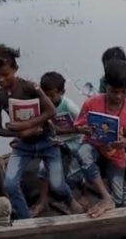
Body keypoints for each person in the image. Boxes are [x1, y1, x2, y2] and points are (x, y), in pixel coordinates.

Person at [0, 45, 78, 219]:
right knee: (10, 184)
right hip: (23, 145)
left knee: (57, 184)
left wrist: (30, 126)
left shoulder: (31, 88)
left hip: (47, 141)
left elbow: (51, 111)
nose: (1, 80)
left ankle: (70, 200)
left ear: (15, 69)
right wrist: (18, 133)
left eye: (5, 74)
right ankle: (26, 220)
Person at [75, 59, 126, 217]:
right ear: (105, 85)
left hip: (116, 152)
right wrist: (84, 130)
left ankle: (109, 197)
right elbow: (78, 126)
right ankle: (105, 197)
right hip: (94, 146)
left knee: (120, 200)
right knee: (83, 153)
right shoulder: (91, 103)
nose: (119, 96)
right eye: (114, 91)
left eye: (123, 92)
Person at [31, 72, 84, 217]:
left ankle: (76, 195)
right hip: (55, 143)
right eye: (45, 95)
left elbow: (84, 127)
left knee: (73, 176)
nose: (49, 99)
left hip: (75, 142)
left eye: (52, 95)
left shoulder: (70, 106)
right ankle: (43, 202)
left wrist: (61, 131)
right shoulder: (42, 106)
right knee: (42, 170)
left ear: (62, 92)